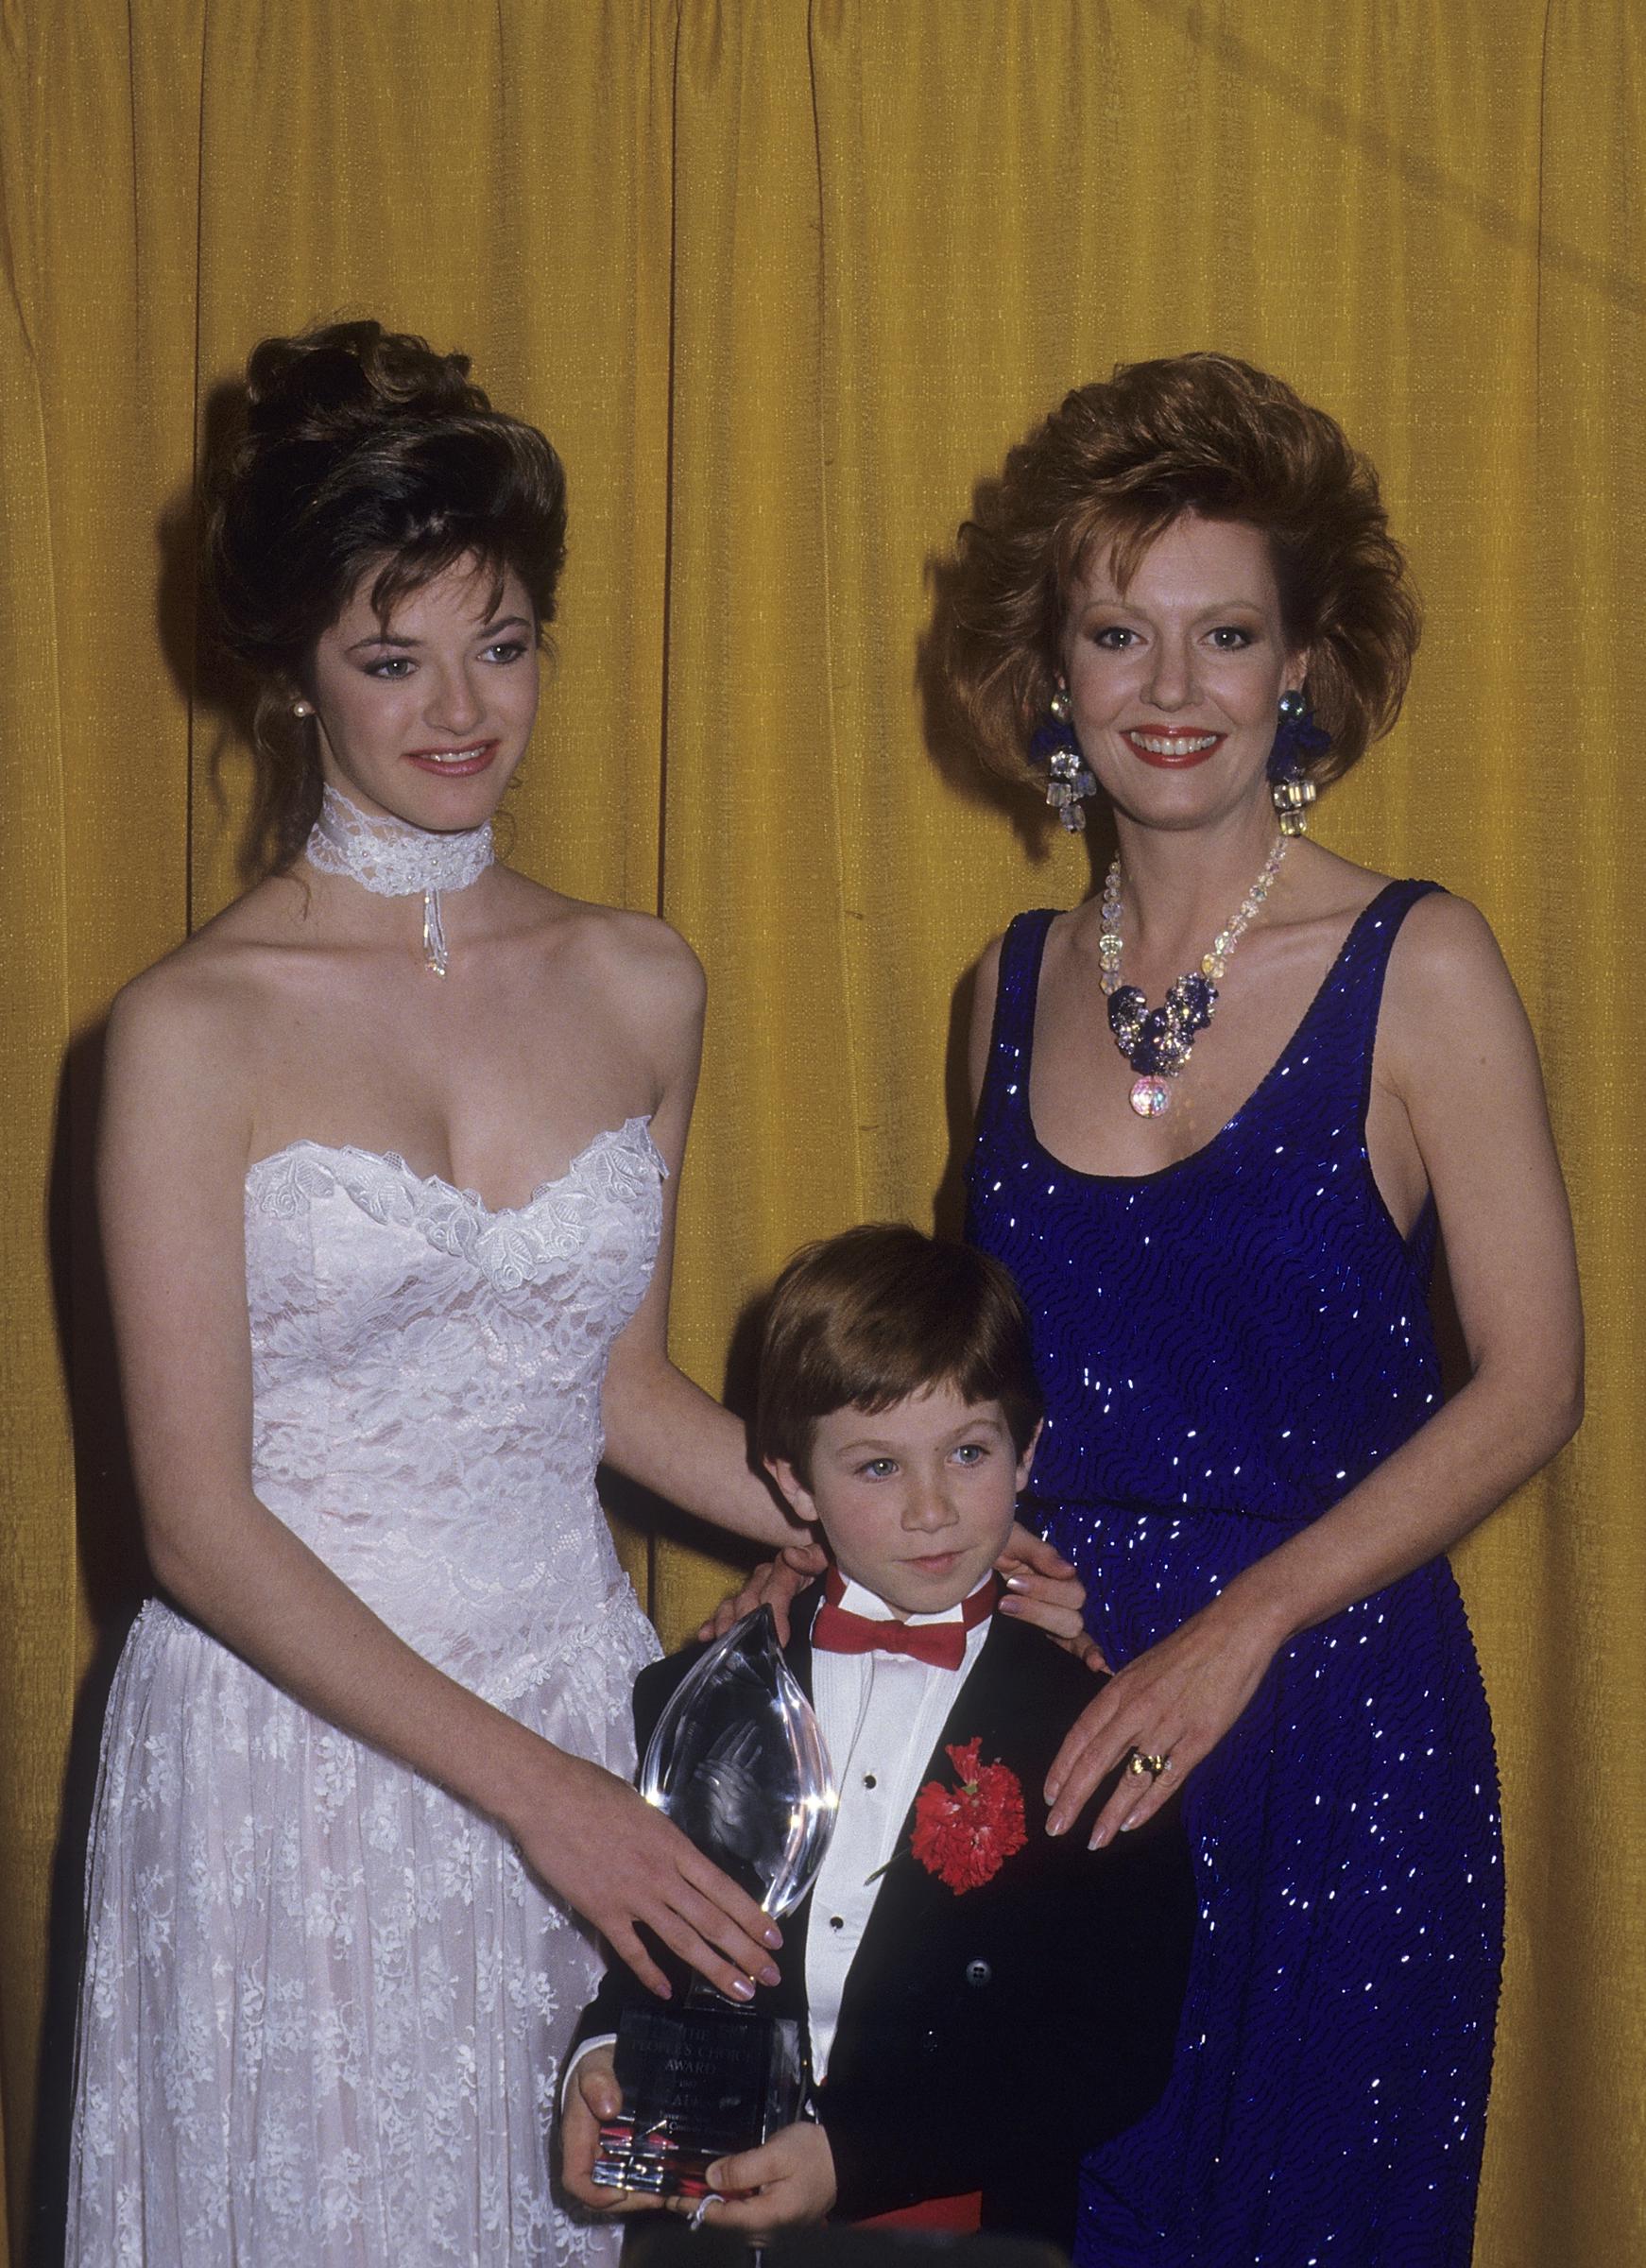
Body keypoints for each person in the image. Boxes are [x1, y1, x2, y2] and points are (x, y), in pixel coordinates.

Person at [64, 319, 1081, 2267]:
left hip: (575, 1691)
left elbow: (605, 1389)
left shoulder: (641, 984)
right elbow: (194, 1524)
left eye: (501, 643)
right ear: (292, 676)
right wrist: (553, 1803)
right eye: (392, 656)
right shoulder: (186, 1033)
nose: (460, 709)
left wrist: (920, 1535)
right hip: (294, 1748)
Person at [943, 352, 1583, 2264]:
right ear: (1049, 670)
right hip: (1056, 1735)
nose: (1168, 689)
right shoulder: (996, 986)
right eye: (1116, 633)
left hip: (1335, 1726)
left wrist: (1240, 1626)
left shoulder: (1422, 962)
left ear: (1299, 665)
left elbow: (1534, 1386)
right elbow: (977, 1391)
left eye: (1224, 634)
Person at [562, 1225, 1195, 2251]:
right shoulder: (701, 1698)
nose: (931, 1509)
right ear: (792, 1485)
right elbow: (653, 1949)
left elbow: (1112, 2049)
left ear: (1026, 1449)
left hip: (953, 2225)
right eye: (874, 1468)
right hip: (706, 2226)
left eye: (968, 1452)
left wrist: (854, 2157)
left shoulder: (1092, 1729)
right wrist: (603, 2059)